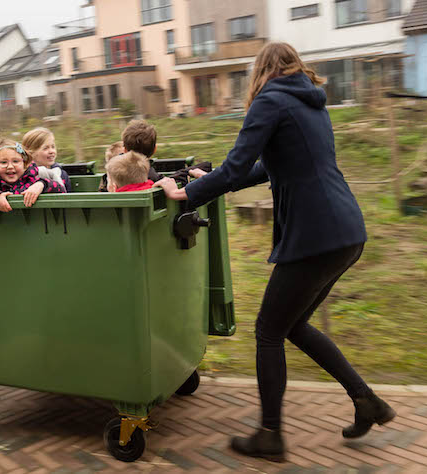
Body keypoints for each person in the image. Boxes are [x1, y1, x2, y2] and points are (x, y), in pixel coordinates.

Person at [154, 42, 396, 462]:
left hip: (315, 236)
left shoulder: (269, 101)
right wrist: (209, 177)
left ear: (261, 71)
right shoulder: (309, 101)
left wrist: (186, 193)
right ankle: (366, 401)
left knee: (268, 331)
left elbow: (236, 167)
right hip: (345, 231)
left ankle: (271, 434)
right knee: (294, 325)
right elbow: (269, 167)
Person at [0, 138, 65, 211]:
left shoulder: (32, 182)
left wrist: (42, 185)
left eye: (15, 161)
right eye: (3, 162)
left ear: (24, 164)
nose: (10, 166)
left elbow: (61, 191)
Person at [21, 127, 71, 192]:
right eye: (45, 148)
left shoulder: (61, 174)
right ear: (31, 153)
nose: (51, 151)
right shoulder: (25, 175)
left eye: (53, 147)